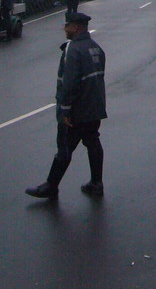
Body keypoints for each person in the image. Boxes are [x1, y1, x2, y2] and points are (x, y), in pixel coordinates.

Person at [26, 11, 106, 199]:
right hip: (94, 107)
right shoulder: (96, 47)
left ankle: (50, 186)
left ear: (76, 27)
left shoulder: (73, 49)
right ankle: (96, 183)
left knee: (65, 147)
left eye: (67, 26)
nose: (65, 29)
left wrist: (65, 110)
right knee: (93, 142)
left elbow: (69, 82)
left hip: (77, 110)